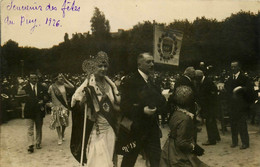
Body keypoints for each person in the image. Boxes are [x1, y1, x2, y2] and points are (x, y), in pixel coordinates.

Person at [70, 51, 121, 167]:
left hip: (111, 129)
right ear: (94, 67)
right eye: (100, 66)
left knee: (110, 160)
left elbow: (116, 106)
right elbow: (74, 102)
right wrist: (84, 101)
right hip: (96, 130)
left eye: (105, 66)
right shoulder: (88, 84)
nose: (103, 69)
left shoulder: (110, 85)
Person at [120, 52, 166, 167]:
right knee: (129, 161)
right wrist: (142, 110)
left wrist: (159, 106)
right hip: (136, 129)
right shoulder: (130, 81)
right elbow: (124, 106)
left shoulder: (152, 81)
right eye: (148, 62)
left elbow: (161, 101)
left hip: (152, 129)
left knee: (156, 160)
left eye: (152, 62)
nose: (152, 64)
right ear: (139, 64)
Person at [160, 86, 209, 167]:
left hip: (170, 147)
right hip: (179, 153)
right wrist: (193, 147)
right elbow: (181, 142)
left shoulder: (176, 113)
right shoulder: (185, 119)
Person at [225, 61, 255, 149]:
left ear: (239, 67)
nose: (233, 68)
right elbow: (227, 88)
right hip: (232, 105)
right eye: (231, 67)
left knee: (242, 124)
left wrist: (241, 89)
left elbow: (250, 90)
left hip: (241, 105)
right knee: (233, 124)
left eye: (234, 67)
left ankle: (245, 143)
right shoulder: (230, 78)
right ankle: (234, 142)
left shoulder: (244, 78)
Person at [23, 72, 48, 153]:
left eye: (35, 78)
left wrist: (43, 101)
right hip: (29, 111)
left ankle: (38, 143)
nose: (34, 80)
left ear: (37, 79)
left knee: (38, 128)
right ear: (29, 79)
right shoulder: (25, 88)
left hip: (39, 111)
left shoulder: (42, 87)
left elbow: (47, 97)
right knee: (30, 128)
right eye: (32, 78)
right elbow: (22, 99)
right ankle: (30, 145)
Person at [195, 70, 220, 145]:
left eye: (196, 78)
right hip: (208, 105)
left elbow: (213, 93)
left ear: (199, 77)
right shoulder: (203, 81)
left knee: (209, 122)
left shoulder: (208, 82)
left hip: (210, 105)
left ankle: (211, 140)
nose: (195, 79)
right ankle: (216, 137)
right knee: (212, 122)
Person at [48, 73, 74, 145]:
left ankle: (62, 133)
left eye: (62, 77)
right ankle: (59, 136)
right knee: (57, 122)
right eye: (60, 77)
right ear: (56, 78)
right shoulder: (51, 87)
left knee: (64, 122)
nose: (61, 78)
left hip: (64, 106)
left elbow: (72, 86)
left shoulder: (63, 85)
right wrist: (50, 103)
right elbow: (48, 95)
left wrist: (65, 79)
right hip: (56, 106)